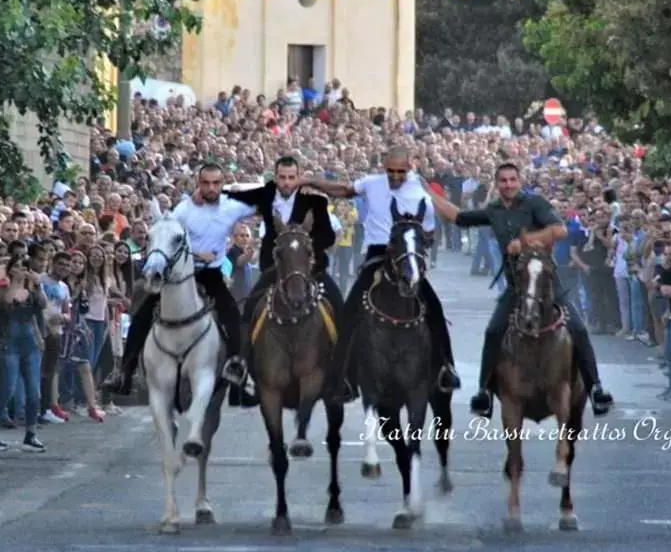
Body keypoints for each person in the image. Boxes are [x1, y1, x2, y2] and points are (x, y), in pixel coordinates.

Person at [428, 162, 615, 418]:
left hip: (547, 284)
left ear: (519, 180)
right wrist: (428, 192)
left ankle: (596, 388)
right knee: (494, 330)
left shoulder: (534, 203)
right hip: (517, 286)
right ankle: (484, 391)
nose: (508, 185)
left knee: (578, 328)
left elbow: (559, 229)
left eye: (512, 180)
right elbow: (458, 217)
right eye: (503, 180)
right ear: (497, 183)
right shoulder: (493, 210)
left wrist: (525, 241)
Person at [304, 147, 461, 397]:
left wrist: (415, 248)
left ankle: (446, 367)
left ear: (409, 168)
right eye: (391, 171)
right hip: (377, 255)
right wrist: (312, 181)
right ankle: (341, 377)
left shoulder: (421, 191)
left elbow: (429, 233)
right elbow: (343, 190)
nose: (395, 176)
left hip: (406, 256)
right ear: (384, 168)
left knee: (434, 309)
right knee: (349, 311)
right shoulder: (371, 183)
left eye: (401, 171)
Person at [106, 163, 255, 396]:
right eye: (205, 183)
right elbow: (165, 239)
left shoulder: (231, 207)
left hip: (211, 275)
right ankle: (124, 371)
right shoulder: (183, 211)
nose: (210, 187)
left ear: (222, 185)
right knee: (143, 315)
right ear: (199, 184)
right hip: (180, 274)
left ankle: (236, 368)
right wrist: (196, 254)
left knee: (233, 317)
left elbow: (264, 203)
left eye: (216, 183)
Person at [223, 156, 344, 372]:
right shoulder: (265, 199)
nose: (287, 182)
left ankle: (342, 370)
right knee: (249, 308)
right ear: (275, 177)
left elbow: (328, 237)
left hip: (310, 268)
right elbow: (232, 201)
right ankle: (241, 363)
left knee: (339, 304)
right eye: (282, 177)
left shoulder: (315, 202)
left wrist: (302, 245)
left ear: (299, 178)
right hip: (274, 268)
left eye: (291, 178)